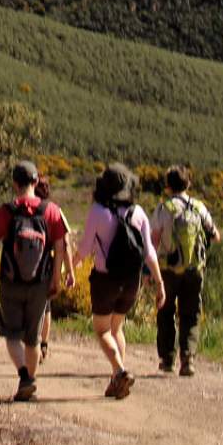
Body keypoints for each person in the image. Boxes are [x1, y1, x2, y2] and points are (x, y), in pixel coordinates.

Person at [75, 163, 164, 399]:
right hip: (131, 280)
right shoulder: (138, 213)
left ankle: (120, 371)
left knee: (102, 330)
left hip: (105, 279)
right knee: (117, 328)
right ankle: (118, 380)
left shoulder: (97, 211)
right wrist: (159, 282)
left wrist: (70, 267)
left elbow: (84, 248)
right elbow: (149, 253)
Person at [0, 161, 69, 401]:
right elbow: (60, 248)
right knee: (32, 339)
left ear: (14, 183)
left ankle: (25, 376)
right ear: (35, 182)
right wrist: (56, 279)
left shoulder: (6, 211)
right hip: (39, 284)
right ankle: (30, 382)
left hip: (10, 282)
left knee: (13, 336)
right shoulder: (51, 210)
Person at [151, 165, 221, 377]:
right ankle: (188, 358)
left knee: (165, 311)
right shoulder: (198, 207)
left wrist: (148, 271)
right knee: (190, 314)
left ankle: (167, 359)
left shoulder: (164, 208)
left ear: (168, 185)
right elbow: (216, 235)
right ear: (188, 184)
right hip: (194, 269)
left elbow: (153, 240)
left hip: (168, 269)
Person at [33, 177, 75, 366]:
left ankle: (30, 343)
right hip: (46, 265)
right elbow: (65, 243)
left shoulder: (24, 207)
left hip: (25, 265)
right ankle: (43, 344)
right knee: (46, 306)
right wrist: (70, 271)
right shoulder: (54, 211)